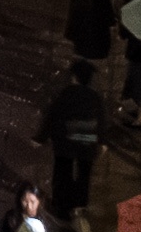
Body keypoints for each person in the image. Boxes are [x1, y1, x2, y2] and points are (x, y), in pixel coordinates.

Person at [39, 59, 105, 213]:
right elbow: (102, 119)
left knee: (63, 172)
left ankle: (61, 204)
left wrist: (41, 137)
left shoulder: (66, 93)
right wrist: (102, 141)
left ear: (74, 77)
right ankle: (80, 203)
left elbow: (52, 115)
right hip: (87, 142)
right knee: (84, 173)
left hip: (66, 141)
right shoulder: (95, 96)